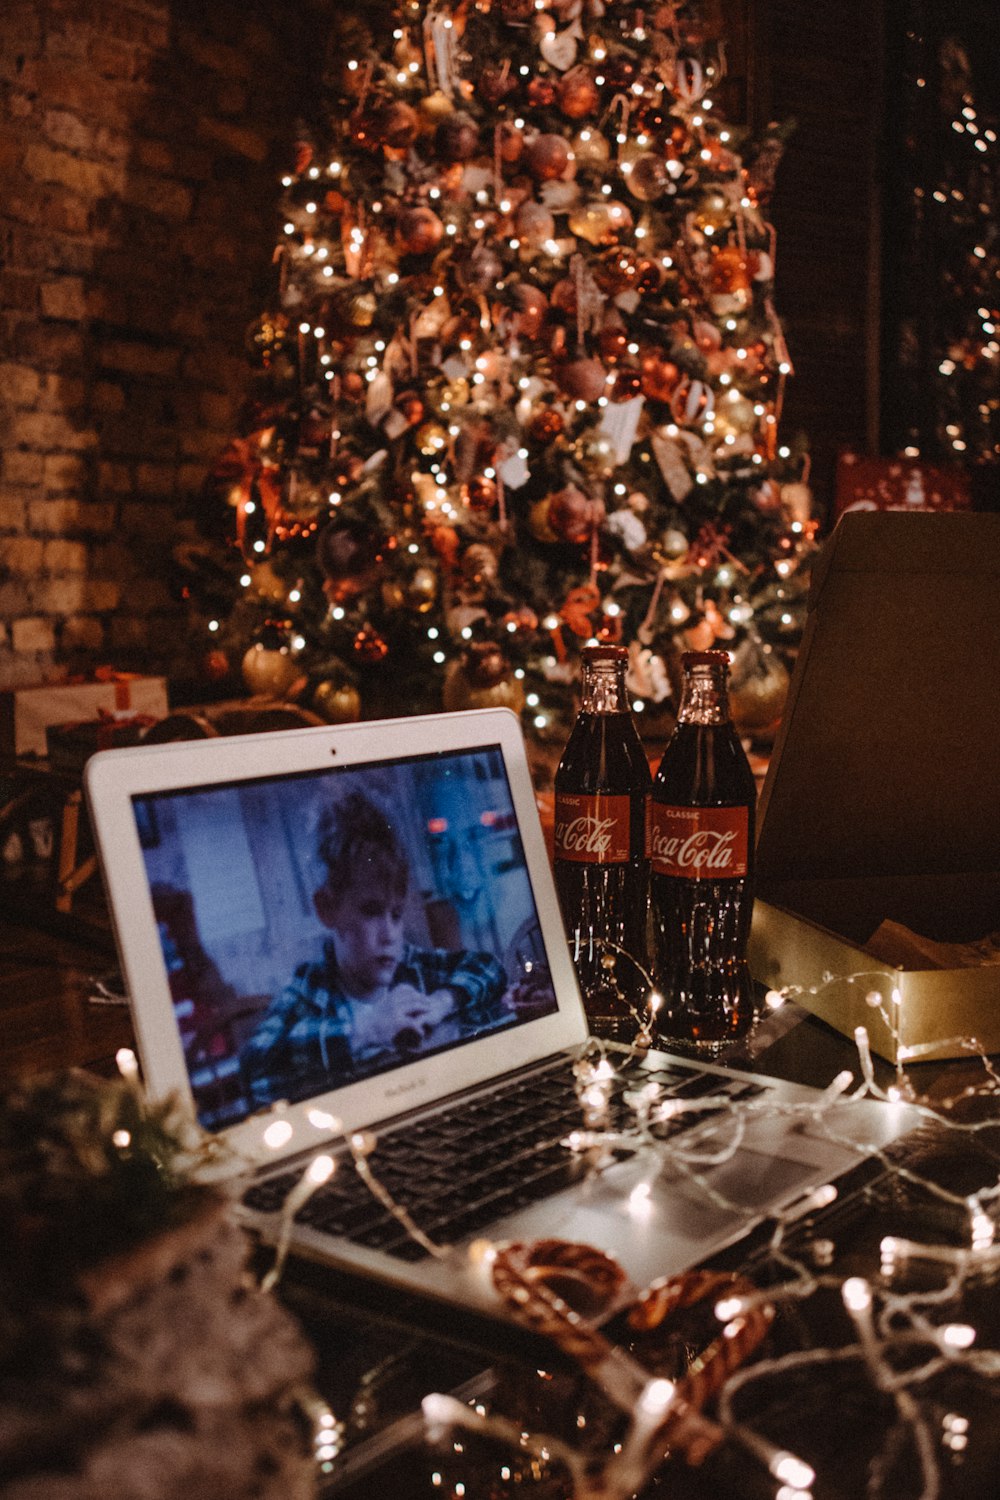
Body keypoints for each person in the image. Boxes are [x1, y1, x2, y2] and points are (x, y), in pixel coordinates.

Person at [241, 789, 508, 1108]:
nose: (390, 935)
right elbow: (255, 1063)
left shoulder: (413, 964)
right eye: (370, 911)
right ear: (328, 909)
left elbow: (489, 968)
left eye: (395, 914)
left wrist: (442, 1001)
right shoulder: (310, 988)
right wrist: (364, 1030)